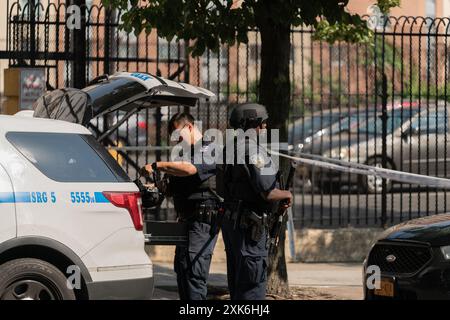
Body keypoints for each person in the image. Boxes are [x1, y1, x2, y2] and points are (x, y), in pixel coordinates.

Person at [140, 112, 220, 300]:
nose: (177, 142)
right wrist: (154, 187)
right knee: (183, 271)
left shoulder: (209, 149)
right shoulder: (187, 154)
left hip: (202, 222)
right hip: (187, 221)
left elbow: (190, 169)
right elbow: (173, 185)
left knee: (194, 273)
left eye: (178, 136)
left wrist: (157, 164)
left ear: (190, 127)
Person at [220, 103, 293, 300]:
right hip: (249, 230)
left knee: (237, 286)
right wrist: (287, 194)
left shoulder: (230, 147)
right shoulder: (253, 151)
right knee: (251, 290)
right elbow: (267, 192)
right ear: (253, 124)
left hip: (233, 227)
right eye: (263, 124)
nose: (266, 128)